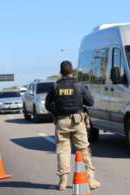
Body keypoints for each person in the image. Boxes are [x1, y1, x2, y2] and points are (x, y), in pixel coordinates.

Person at [45, 60, 101, 191]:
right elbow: (91, 102)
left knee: (63, 152)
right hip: (77, 121)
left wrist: (56, 111)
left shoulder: (55, 87)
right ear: (72, 71)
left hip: (61, 121)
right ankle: (91, 180)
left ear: (60, 72)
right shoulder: (79, 86)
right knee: (83, 150)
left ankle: (63, 182)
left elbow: (48, 105)